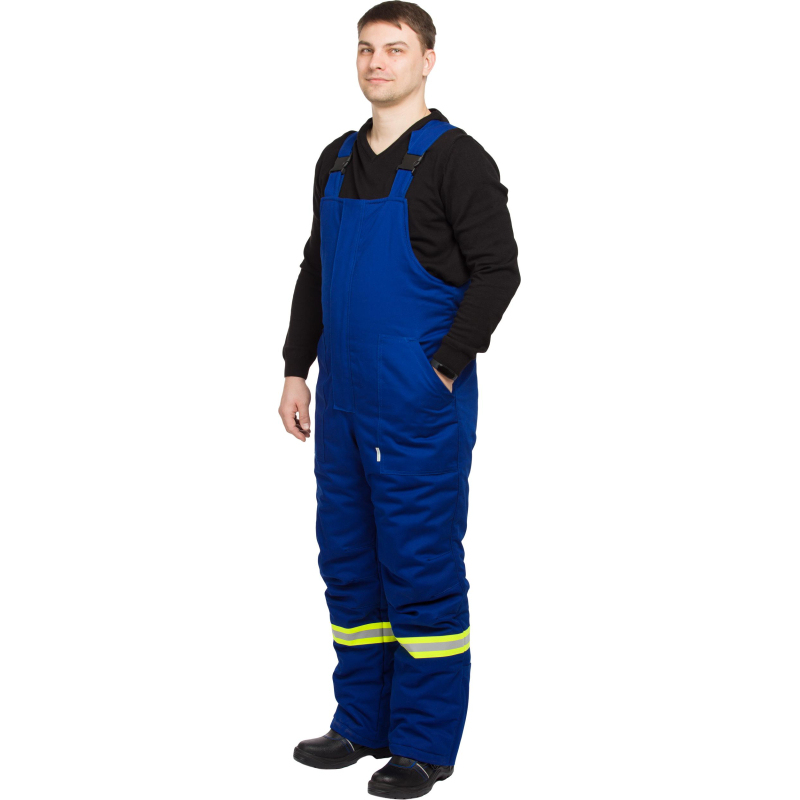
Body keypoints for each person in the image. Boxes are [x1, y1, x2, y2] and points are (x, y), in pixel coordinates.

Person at [278, 2, 520, 796]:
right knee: (349, 562)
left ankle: (424, 742)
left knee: (418, 566)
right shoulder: (336, 160)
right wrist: (295, 368)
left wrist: (444, 366)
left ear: (427, 61)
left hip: (415, 403)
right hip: (343, 401)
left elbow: (499, 271)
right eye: (365, 49)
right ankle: (362, 722)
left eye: (394, 48)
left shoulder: (456, 160)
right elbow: (317, 269)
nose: (377, 62)